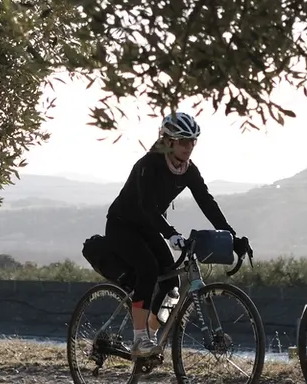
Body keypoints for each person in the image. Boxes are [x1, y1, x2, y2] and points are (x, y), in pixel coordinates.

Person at [102, 111, 247, 358]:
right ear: (168, 141)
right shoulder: (150, 164)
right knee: (147, 269)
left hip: (149, 227)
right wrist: (170, 234)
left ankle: (151, 334)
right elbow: (146, 206)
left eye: (193, 141)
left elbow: (206, 201)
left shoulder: (188, 170)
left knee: (171, 283)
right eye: (183, 141)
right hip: (122, 225)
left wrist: (231, 235)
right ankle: (138, 340)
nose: (189, 147)